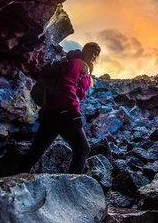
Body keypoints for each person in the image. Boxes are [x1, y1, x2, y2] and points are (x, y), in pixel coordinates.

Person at [17, 42, 101, 174]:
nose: (93, 55)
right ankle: (73, 187)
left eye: (96, 54)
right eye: (91, 51)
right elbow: (67, 86)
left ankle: (13, 180)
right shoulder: (77, 63)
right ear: (85, 50)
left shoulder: (84, 69)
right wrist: (75, 113)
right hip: (64, 113)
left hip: (51, 113)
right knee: (82, 149)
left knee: (36, 151)